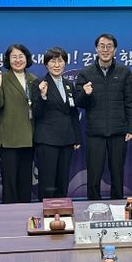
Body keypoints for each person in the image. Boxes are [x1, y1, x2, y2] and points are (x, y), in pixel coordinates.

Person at [76, 34, 132, 200]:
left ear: (115, 50)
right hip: (95, 132)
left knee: (117, 174)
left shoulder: (124, 72)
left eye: (109, 46)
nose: (105, 49)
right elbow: (79, 103)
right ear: (96, 49)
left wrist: (131, 128)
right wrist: (85, 93)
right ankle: (93, 206)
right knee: (93, 175)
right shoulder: (86, 73)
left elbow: (130, 102)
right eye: (102, 46)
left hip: (118, 132)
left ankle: (117, 206)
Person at [32, 46, 82, 200]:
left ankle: (62, 210)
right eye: (53, 61)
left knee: (63, 180)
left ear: (65, 63)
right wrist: (43, 96)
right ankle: (46, 211)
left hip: (67, 139)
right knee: (47, 181)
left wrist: (76, 137)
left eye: (60, 61)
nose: (56, 65)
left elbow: (73, 112)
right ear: (46, 64)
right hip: (47, 140)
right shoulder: (39, 83)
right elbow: (36, 112)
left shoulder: (68, 84)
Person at [0, 44, 37, 204]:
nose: (18, 60)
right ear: (8, 60)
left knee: (25, 181)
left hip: (28, 137)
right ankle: (9, 214)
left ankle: (25, 212)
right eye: (14, 57)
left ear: (27, 58)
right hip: (9, 138)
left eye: (21, 56)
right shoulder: (2, 78)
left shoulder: (33, 79)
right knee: (9, 182)